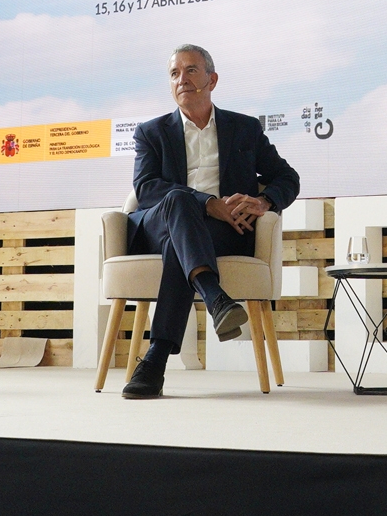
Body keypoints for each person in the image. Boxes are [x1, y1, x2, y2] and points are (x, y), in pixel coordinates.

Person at [121, 44, 300, 398]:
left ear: (212, 79)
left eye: (191, 70)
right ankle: (215, 297)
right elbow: (146, 188)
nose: (181, 79)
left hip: (221, 232)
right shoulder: (150, 132)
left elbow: (287, 177)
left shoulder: (245, 129)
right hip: (159, 224)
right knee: (177, 200)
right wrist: (207, 203)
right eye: (174, 73)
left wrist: (264, 201)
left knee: (181, 244)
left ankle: (155, 359)